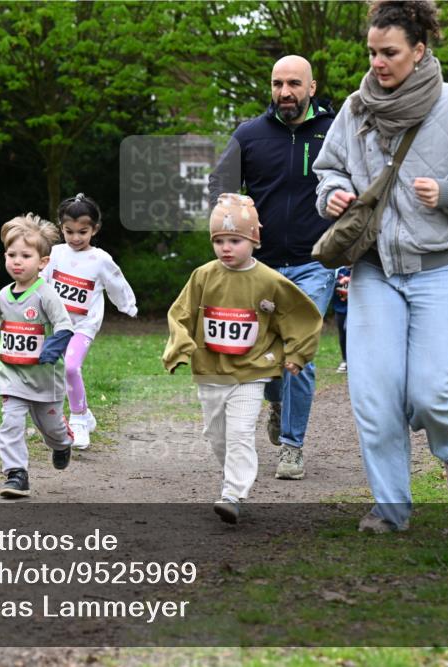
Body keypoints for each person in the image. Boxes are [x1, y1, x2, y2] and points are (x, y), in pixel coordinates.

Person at [313, 0, 448, 532]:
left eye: (391, 52)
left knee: (430, 391)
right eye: (373, 52)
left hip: (439, 268)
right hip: (374, 268)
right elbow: (328, 171)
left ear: (419, 51)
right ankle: (391, 508)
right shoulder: (355, 110)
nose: (379, 62)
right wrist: (333, 195)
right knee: (374, 397)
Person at [208, 54, 336, 481]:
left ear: (311, 88)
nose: (286, 92)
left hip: (314, 262)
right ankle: (279, 401)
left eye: (295, 84)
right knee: (260, 353)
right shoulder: (250, 135)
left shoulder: (334, 133)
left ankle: (292, 447)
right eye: (278, 83)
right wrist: (230, 214)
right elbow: (219, 184)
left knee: (298, 353)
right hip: (258, 267)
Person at [163, 194, 322, 523]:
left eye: (235, 240)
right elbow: (180, 314)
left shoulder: (269, 280)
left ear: (254, 240)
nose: (226, 248)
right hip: (210, 372)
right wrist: (179, 346)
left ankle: (232, 494)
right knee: (217, 435)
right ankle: (230, 477)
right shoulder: (203, 276)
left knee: (239, 434)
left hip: (252, 372)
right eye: (219, 241)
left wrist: (296, 354)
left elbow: (300, 316)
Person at [42, 193, 138, 449]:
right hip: (59, 325)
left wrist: (128, 306)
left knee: (72, 367)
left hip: (84, 326)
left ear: (94, 229)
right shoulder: (55, 254)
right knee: (61, 371)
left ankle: (79, 421)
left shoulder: (101, 259)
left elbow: (117, 283)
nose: (75, 238)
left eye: (82, 232)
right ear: (61, 228)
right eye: (69, 231)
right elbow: (40, 282)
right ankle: (85, 412)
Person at [0, 214, 75, 498]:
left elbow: (65, 325)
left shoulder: (46, 294)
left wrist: (53, 347)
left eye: (25, 256)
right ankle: (16, 474)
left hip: (45, 379)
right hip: (12, 374)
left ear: (42, 262)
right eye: (11, 255)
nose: (17, 261)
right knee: (11, 422)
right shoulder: (3, 296)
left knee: (51, 429)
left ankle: (63, 442)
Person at [331, 266, 352, 373]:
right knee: (342, 333)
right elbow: (329, 285)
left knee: (348, 329)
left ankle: (355, 360)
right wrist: (341, 282)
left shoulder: (359, 267)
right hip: (340, 307)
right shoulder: (337, 270)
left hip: (355, 306)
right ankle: (345, 360)